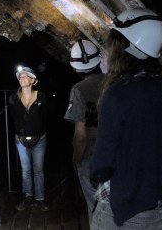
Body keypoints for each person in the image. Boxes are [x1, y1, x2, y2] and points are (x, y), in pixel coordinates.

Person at [90, 8, 162, 229]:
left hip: (124, 211)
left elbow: (101, 165)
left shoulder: (117, 95)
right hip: (161, 209)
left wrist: (96, 176)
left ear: (124, 48)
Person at [63, 39, 105, 224]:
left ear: (76, 67)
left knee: (94, 207)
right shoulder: (114, 84)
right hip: (115, 157)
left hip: (91, 158)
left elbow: (80, 137)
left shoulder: (78, 90)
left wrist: (76, 159)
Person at [9, 66, 49, 212]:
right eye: (20, 77)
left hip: (39, 139)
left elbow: (45, 116)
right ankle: (27, 197)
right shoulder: (13, 98)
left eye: (25, 76)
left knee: (38, 170)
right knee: (26, 170)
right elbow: (14, 117)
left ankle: (40, 199)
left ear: (32, 80)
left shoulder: (41, 97)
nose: (21, 78)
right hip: (21, 140)